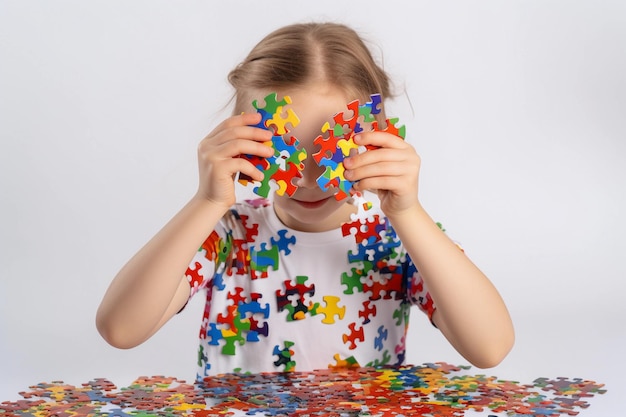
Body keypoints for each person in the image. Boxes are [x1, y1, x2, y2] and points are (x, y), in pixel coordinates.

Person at [96, 22, 514, 378]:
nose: (310, 180)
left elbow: (490, 347)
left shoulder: (400, 239)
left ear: (378, 140)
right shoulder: (225, 233)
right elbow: (120, 329)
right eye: (284, 152)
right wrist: (207, 202)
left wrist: (408, 213)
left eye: (331, 151)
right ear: (241, 143)